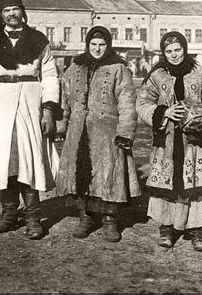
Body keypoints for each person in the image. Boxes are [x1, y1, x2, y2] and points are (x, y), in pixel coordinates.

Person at [0, 0, 60, 240]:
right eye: (6, 10)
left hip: (30, 106)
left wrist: (49, 110)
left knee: (29, 158)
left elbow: (51, 77)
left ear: (23, 11)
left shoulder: (38, 40)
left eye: (15, 9)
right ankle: (9, 213)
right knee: (5, 162)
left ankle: (33, 217)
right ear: (1, 14)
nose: (11, 14)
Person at [137, 31, 202, 252]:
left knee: (197, 183)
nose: (174, 55)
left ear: (185, 48)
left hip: (196, 141)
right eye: (168, 51)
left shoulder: (200, 73)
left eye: (177, 50)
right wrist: (164, 112)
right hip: (167, 140)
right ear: (163, 53)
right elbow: (142, 103)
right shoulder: (157, 75)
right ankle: (167, 227)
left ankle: (197, 229)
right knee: (167, 181)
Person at [56, 26, 140, 242]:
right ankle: (86, 217)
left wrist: (125, 132)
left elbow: (128, 103)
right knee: (82, 173)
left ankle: (110, 221)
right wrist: (61, 125)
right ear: (87, 45)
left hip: (107, 133)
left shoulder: (118, 69)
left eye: (102, 44)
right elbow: (63, 98)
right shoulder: (75, 67)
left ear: (108, 45)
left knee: (108, 175)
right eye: (93, 44)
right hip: (78, 130)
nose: (97, 48)